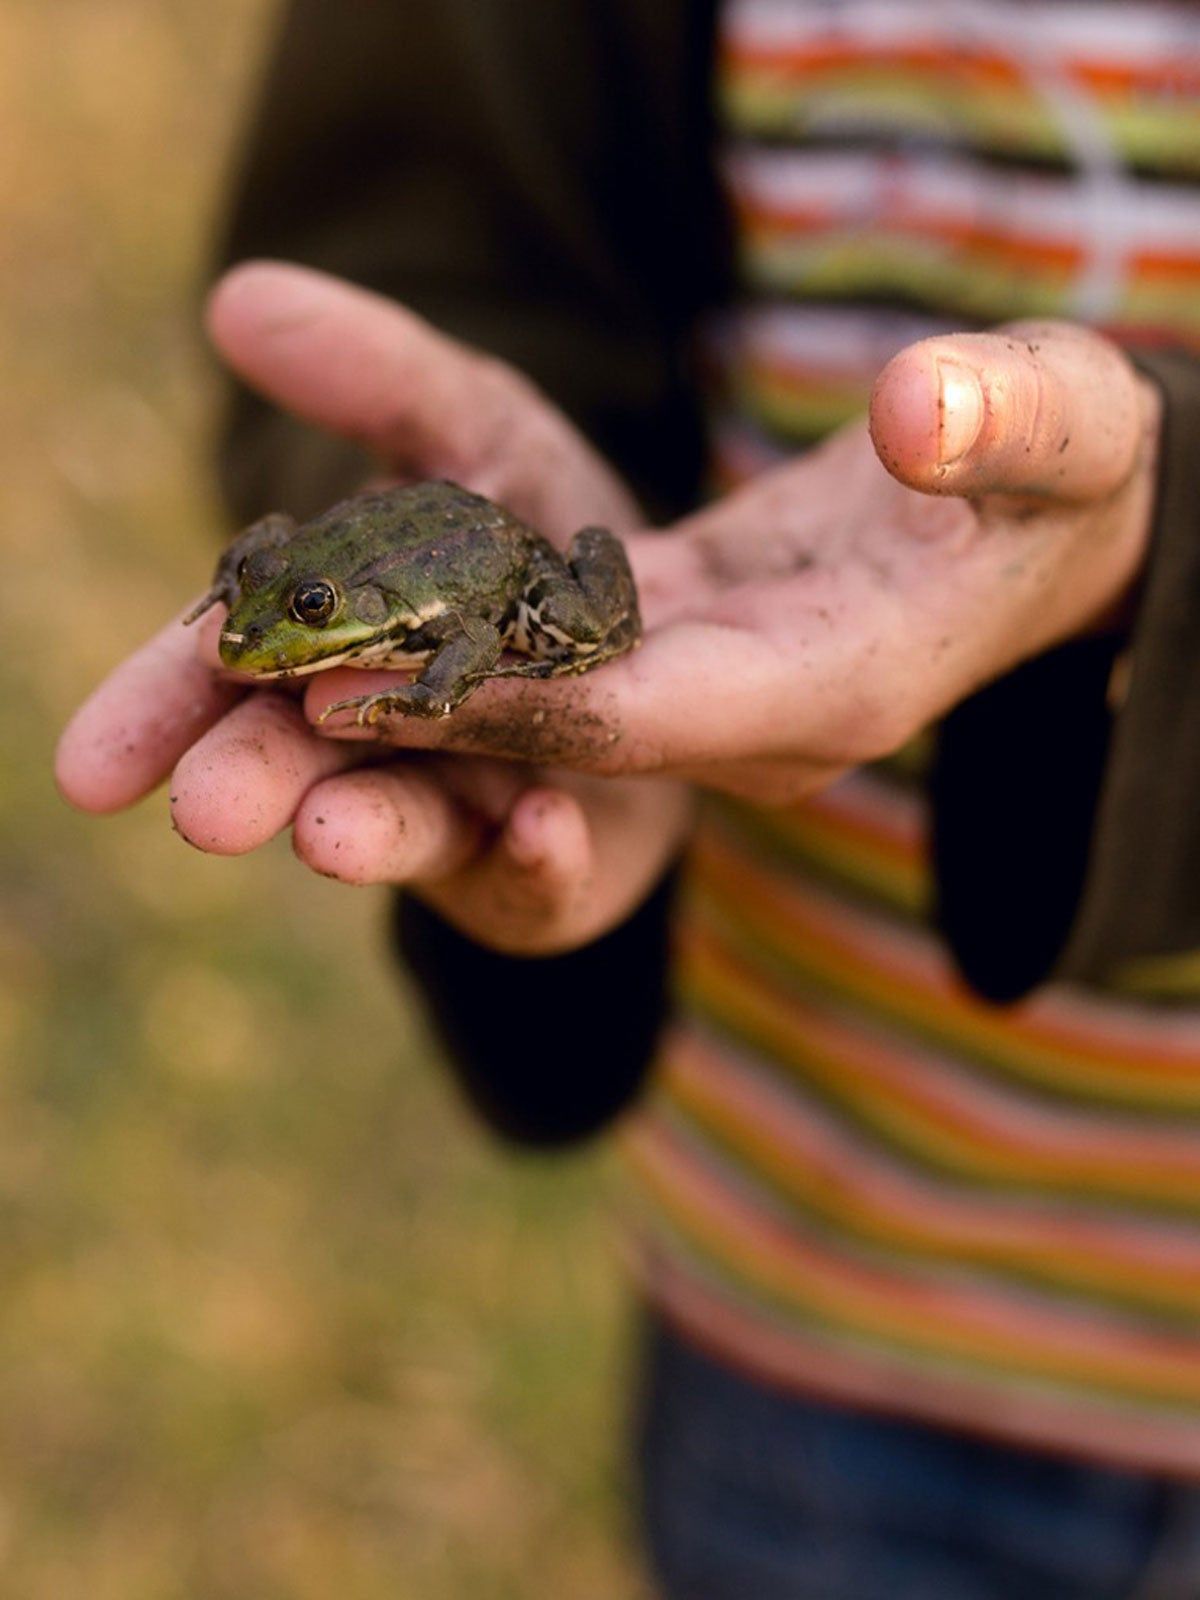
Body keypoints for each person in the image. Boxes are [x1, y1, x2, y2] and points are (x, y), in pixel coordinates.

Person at [57, 2, 1200, 1594]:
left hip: (1066, 1239)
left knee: (575, 624)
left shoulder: (453, 624)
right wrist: (294, 560)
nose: (266, 642)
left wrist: (1163, 547)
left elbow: (462, 645)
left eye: (291, 631)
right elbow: (395, 325)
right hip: (808, 1277)